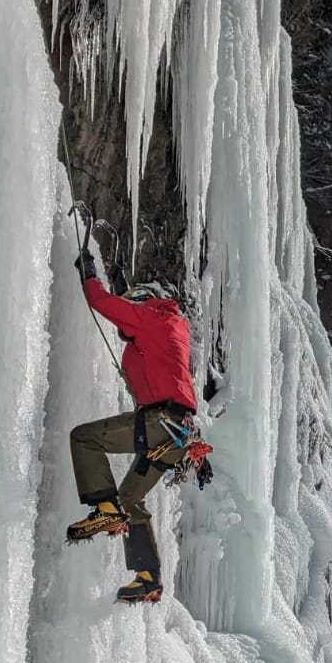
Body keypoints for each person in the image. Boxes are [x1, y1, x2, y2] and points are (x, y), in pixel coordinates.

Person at [66, 247, 199, 604]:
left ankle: (104, 510)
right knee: (130, 497)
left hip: (159, 424)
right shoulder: (172, 327)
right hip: (179, 434)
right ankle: (148, 578)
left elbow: (101, 301)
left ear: (143, 303)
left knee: (84, 439)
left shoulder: (150, 318)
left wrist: (89, 271)